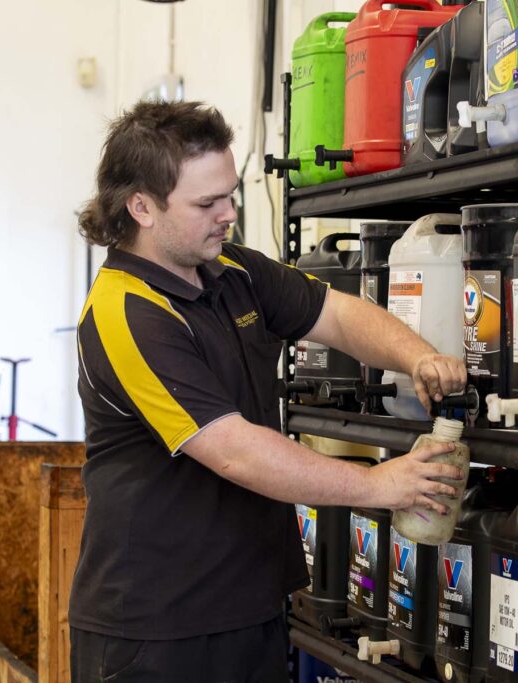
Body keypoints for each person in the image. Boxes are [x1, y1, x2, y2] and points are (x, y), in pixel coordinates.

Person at [69, 99, 467, 682]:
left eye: (230, 195)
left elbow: (336, 314)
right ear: (141, 208)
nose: (228, 213)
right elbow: (232, 449)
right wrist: (381, 484)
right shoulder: (125, 313)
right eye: (207, 203)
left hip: (250, 609)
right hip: (154, 631)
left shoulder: (234, 270)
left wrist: (419, 357)